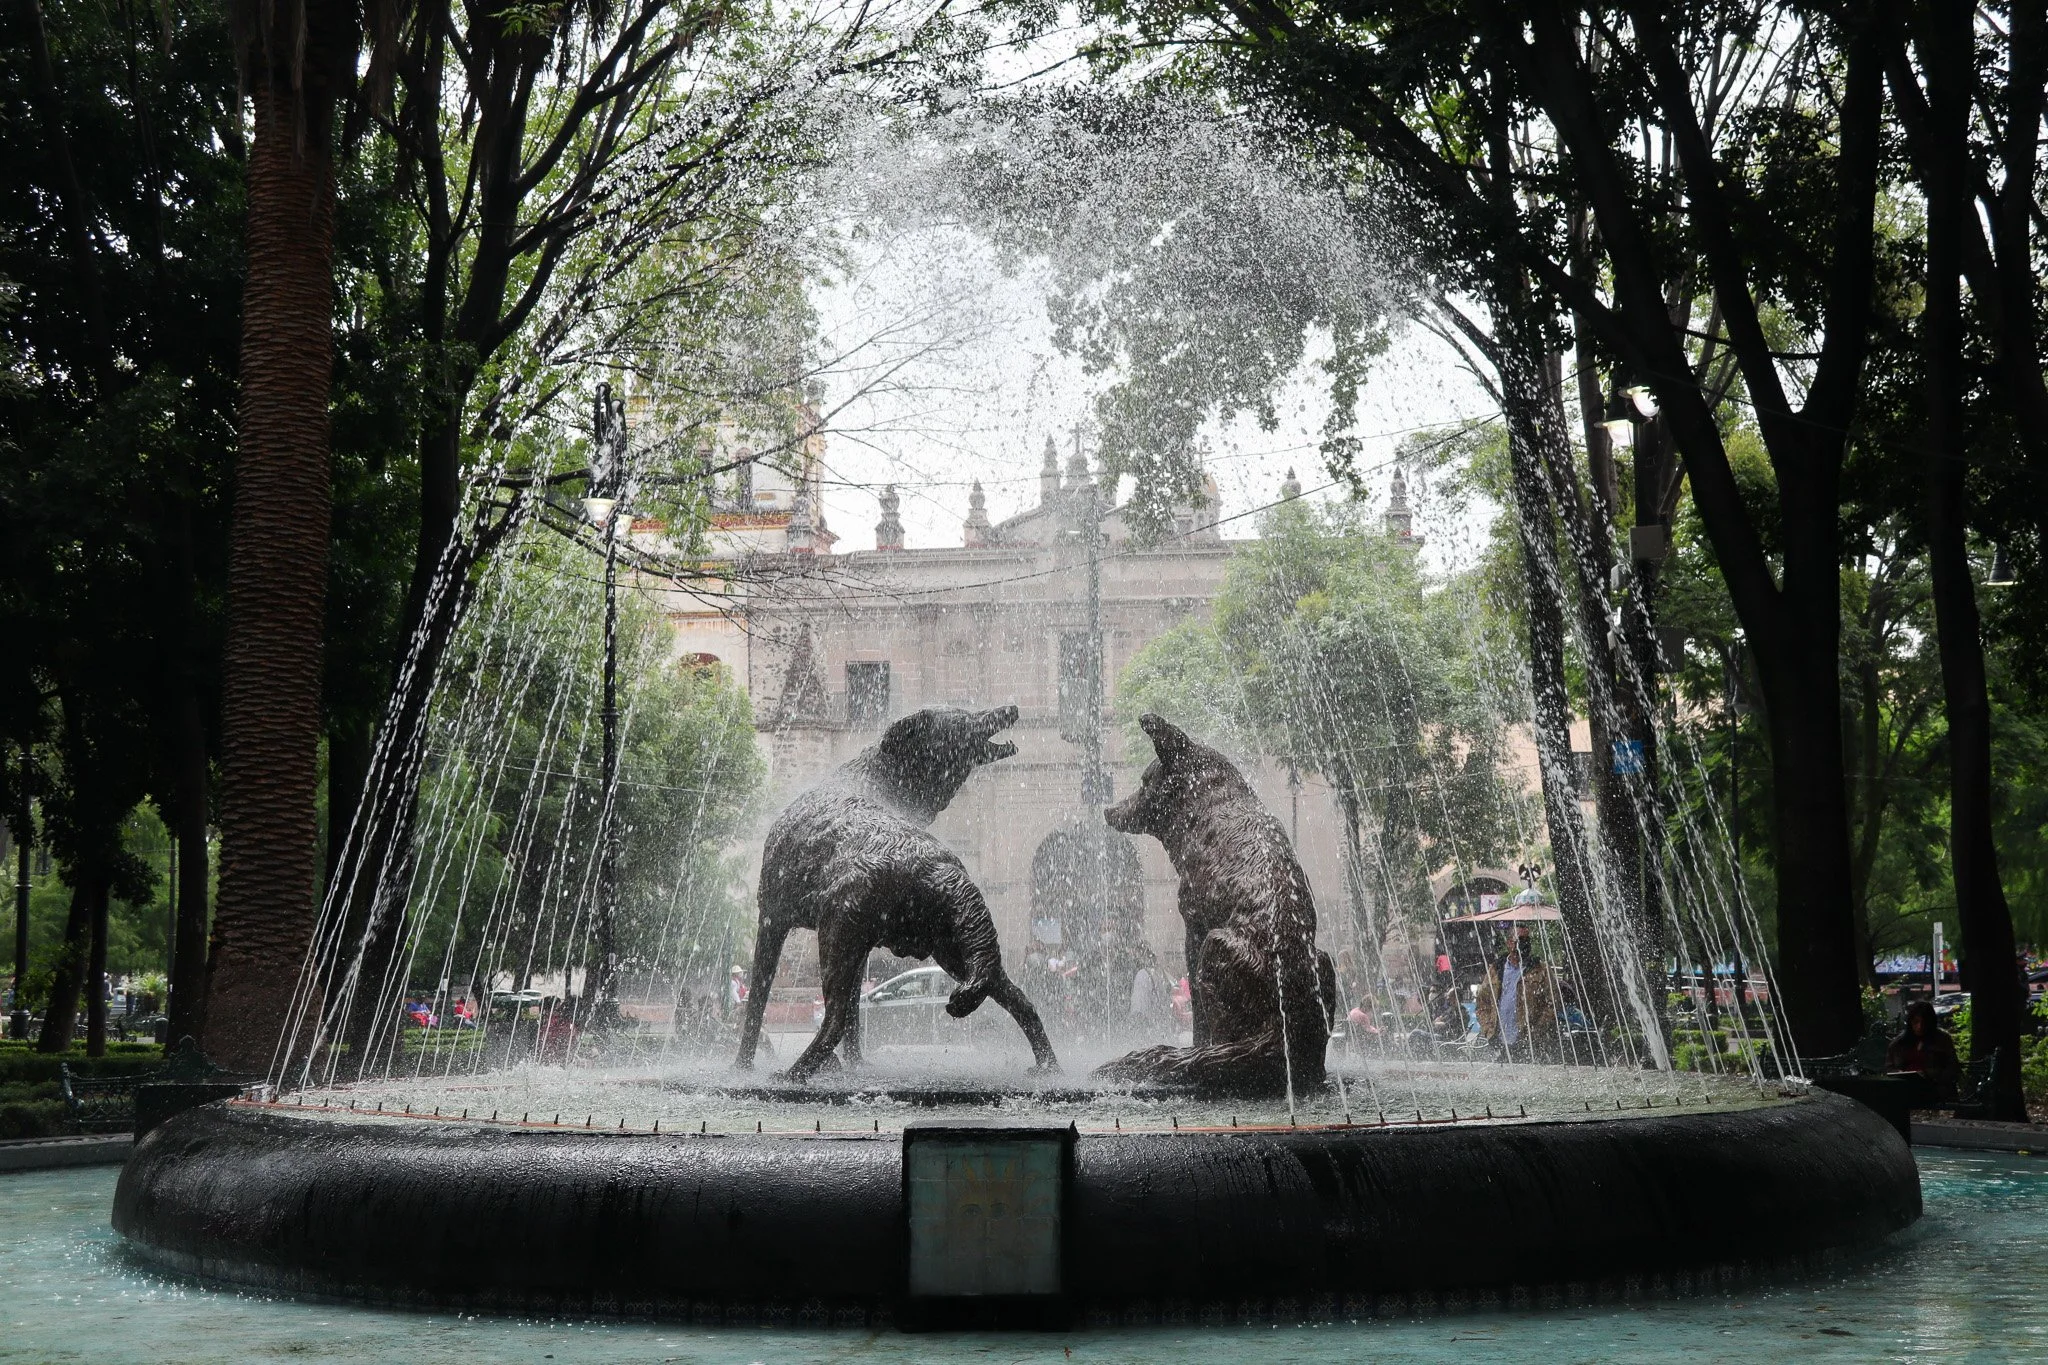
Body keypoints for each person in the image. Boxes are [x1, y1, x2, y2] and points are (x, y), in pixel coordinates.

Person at [1886, 1000, 1961, 1099]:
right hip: (1906, 1090)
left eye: (1924, 1022)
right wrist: (1901, 1075)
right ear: (1910, 1022)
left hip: (1936, 1090)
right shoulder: (1899, 1043)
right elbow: (1889, 1068)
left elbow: (1953, 1068)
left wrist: (1931, 1075)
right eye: (1916, 1022)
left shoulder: (1942, 1039)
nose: (1920, 1026)